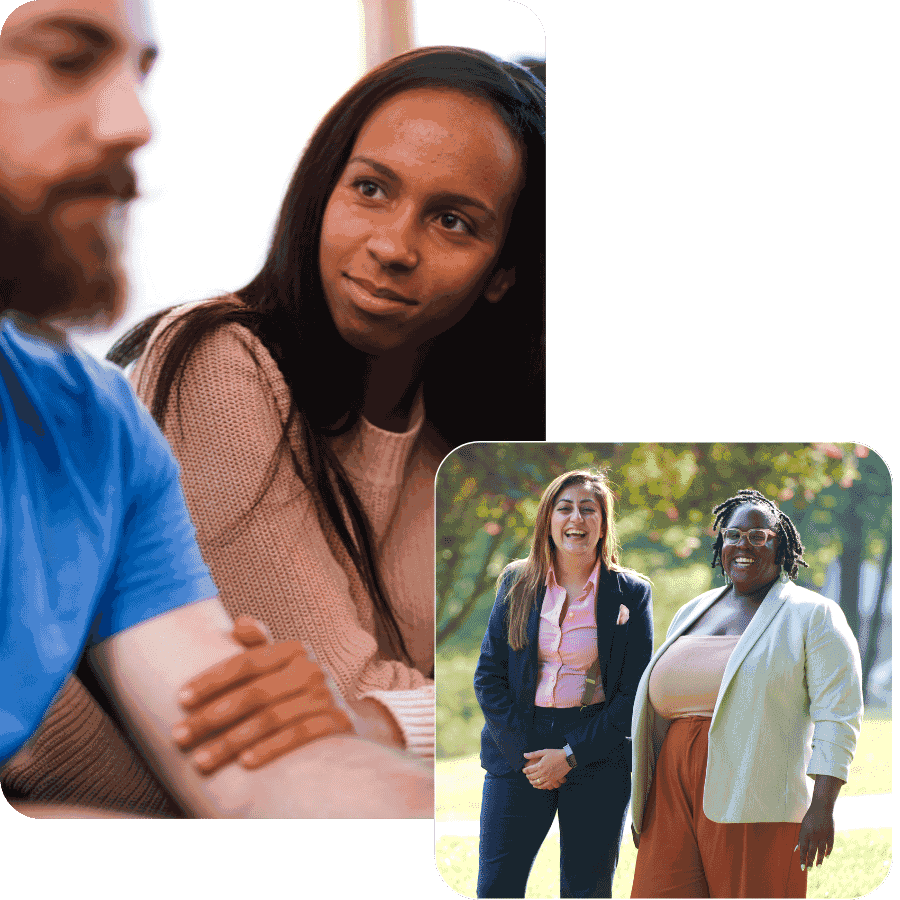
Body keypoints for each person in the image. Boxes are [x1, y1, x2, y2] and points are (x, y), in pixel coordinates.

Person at [0, 0, 432, 818]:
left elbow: (250, 765)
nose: (135, 123)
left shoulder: (94, 424)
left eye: (140, 73)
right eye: (64, 58)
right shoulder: (220, 362)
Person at [78, 44, 544, 784]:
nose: (392, 246)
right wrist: (411, 712)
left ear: (503, 275)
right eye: (370, 188)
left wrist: (399, 714)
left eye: (453, 222)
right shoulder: (218, 359)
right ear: (323, 190)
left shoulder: (463, 449)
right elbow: (325, 701)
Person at [630, 489, 864, 898]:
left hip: (755, 793)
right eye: (733, 534)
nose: (744, 545)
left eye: (759, 536)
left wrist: (822, 807)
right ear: (720, 543)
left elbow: (838, 715)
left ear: (780, 543)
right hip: (670, 792)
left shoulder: (812, 614)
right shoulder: (693, 610)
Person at [473, 470, 653, 898]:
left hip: (597, 752)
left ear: (604, 524)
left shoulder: (631, 592)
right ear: (548, 519)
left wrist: (570, 755)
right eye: (565, 507)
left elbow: (632, 693)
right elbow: (488, 677)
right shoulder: (516, 582)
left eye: (589, 509)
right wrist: (530, 758)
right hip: (518, 750)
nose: (577, 518)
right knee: (497, 887)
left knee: (587, 890)